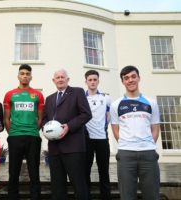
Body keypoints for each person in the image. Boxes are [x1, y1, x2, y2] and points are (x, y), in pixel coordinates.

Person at [110, 65, 160, 200]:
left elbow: (155, 128)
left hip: (148, 154)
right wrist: (126, 144)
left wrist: (148, 144)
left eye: (133, 76)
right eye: (126, 78)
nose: (130, 80)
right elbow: (115, 129)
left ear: (139, 78)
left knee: (152, 195)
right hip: (126, 154)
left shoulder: (151, 103)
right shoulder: (116, 105)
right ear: (123, 82)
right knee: (127, 196)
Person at [42, 69, 92, 200]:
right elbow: (45, 119)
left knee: (79, 185)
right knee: (57, 187)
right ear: (53, 81)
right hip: (54, 148)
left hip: (73, 147)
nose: (60, 79)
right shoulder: (49, 98)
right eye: (57, 77)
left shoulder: (77, 92)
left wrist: (69, 126)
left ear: (67, 79)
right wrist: (46, 129)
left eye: (62, 77)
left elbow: (86, 114)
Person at [4, 64, 44, 200]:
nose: (25, 76)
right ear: (18, 76)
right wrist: (13, 133)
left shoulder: (38, 95)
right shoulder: (10, 94)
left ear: (31, 77)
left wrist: (33, 130)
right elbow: (6, 119)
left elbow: (40, 118)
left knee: (34, 172)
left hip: (33, 137)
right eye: (22, 73)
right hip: (15, 137)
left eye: (27, 73)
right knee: (13, 172)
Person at [84, 70, 111, 200]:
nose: (93, 82)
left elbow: (108, 115)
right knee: (85, 171)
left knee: (104, 171)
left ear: (98, 81)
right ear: (86, 82)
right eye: (90, 80)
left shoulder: (106, 98)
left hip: (102, 139)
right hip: (86, 140)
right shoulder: (81, 98)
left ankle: (105, 197)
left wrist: (104, 128)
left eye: (95, 79)